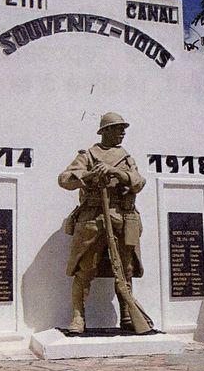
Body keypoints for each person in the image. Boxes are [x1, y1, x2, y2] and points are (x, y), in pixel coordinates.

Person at [58, 112, 146, 333]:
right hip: (93, 218)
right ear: (105, 131)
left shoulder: (126, 158)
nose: (122, 132)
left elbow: (138, 182)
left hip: (123, 218)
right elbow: (64, 179)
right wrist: (89, 175)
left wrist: (116, 171)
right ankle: (78, 318)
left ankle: (127, 314)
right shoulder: (88, 154)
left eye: (123, 129)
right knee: (86, 268)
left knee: (124, 269)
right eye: (117, 128)